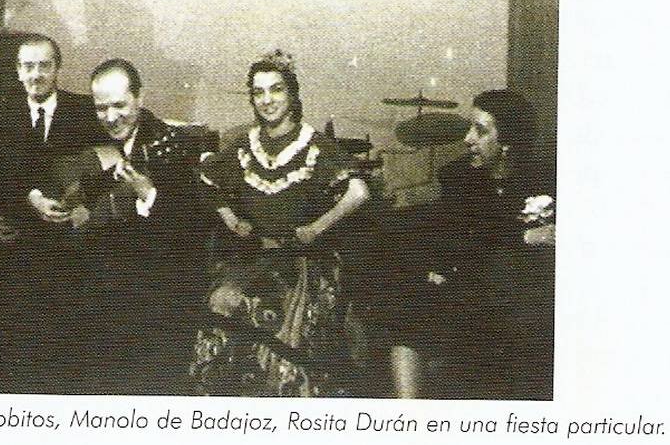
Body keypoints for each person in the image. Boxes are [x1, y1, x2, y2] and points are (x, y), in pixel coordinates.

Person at [189, 56, 370, 397]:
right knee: (222, 299)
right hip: (255, 258)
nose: (267, 100)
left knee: (275, 312)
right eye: (258, 92)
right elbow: (206, 180)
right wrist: (232, 219)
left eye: (276, 90)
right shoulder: (244, 146)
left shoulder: (315, 145)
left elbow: (359, 192)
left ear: (292, 94)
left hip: (304, 262)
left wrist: (317, 227)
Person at [48, 59, 208, 395]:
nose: (110, 117)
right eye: (101, 108)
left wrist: (148, 193)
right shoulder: (92, 132)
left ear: (140, 98)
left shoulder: (170, 147)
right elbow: (58, 169)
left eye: (120, 105)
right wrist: (54, 198)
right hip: (100, 275)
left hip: (153, 286)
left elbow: (190, 230)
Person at [388, 89, 555, 399]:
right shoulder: (459, 178)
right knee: (408, 318)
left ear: (508, 141)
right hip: (470, 289)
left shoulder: (545, 179)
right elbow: (463, 241)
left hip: (525, 296)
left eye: (480, 130)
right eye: (470, 128)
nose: (467, 139)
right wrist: (523, 237)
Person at [0, 35, 104, 392]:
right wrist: (28, 201)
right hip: (21, 228)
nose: (36, 75)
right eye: (28, 66)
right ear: (18, 71)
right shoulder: (0, 114)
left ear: (58, 69)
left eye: (44, 66)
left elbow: (109, 161)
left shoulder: (85, 110)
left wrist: (85, 207)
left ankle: (71, 379)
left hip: (73, 229)